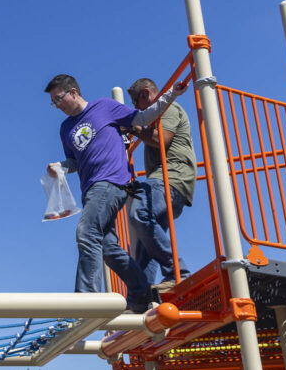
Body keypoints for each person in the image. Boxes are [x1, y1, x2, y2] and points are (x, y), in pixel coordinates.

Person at [44, 74, 186, 312]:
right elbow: (75, 160)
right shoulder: (65, 128)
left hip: (110, 182)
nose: (58, 106)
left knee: (87, 231)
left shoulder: (104, 107)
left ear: (73, 92)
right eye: (53, 103)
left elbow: (140, 118)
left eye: (59, 99)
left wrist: (171, 94)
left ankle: (86, 301)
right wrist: (61, 166)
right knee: (108, 248)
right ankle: (141, 290)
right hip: (89, 190)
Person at [126, 78, 197, 290]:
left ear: (146, 94)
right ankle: (141, 293)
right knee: (148, 241)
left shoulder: (168, 108)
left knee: (139, 213)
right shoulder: (156, 116)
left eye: (135, 102)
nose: (136, 108)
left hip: (173, 175)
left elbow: (162, 141)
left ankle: (178, 272)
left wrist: (135, 128)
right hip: (166, 178)